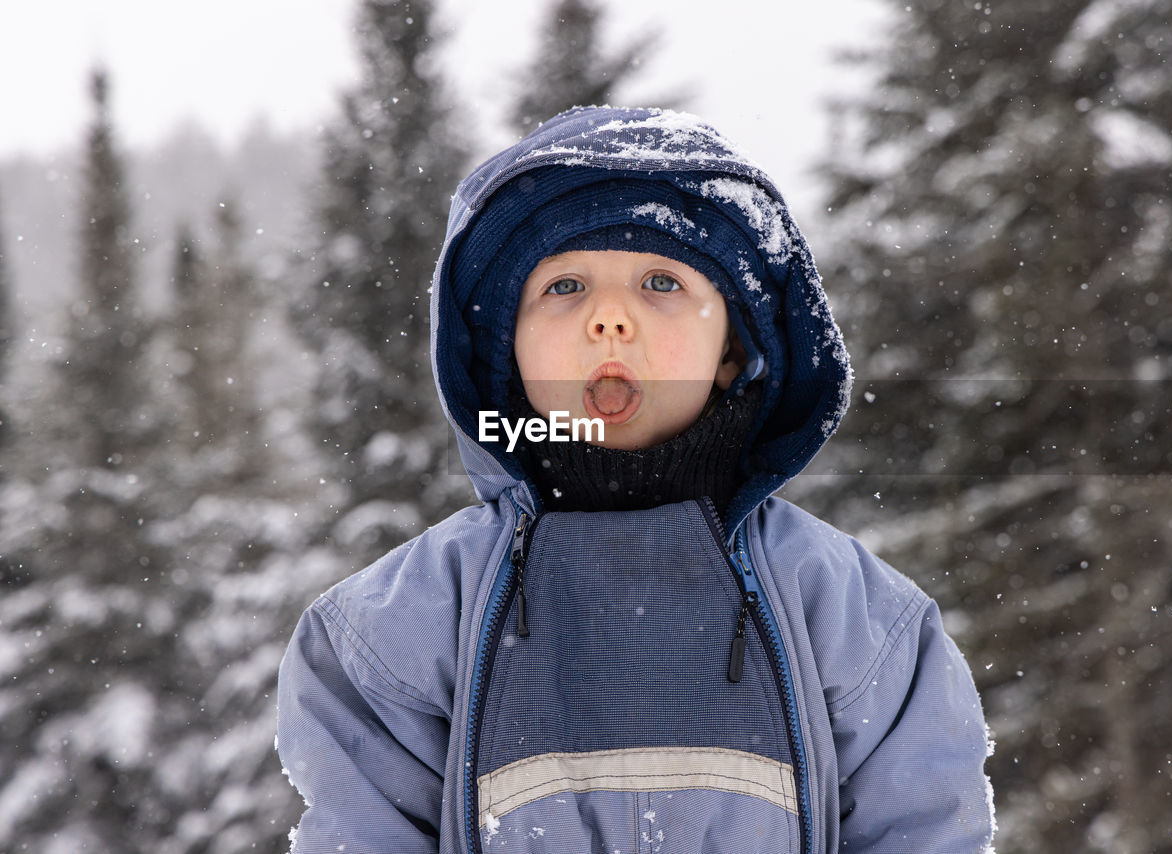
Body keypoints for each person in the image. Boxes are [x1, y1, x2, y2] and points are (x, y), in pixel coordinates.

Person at [276, 106, 995, 854]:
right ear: (505, 351)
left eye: (660, 281)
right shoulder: (393, 630)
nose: (610, 318)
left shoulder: (860, 619)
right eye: (563, 287)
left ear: (732, 348)